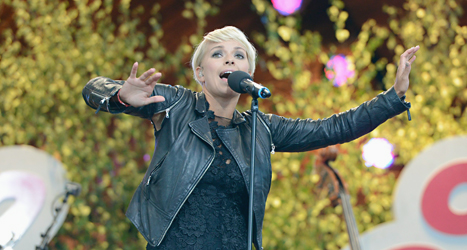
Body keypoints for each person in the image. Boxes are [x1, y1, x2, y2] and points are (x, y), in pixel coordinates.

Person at [82, 26, 419, 249]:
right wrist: (121, 97)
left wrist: (393, 96)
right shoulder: (177, 105)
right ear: (200, 73)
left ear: (249, 74)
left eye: (238, 55)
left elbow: (333, 128)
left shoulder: (261, 127)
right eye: (217, 54)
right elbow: (93, 88)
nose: (229, 58)